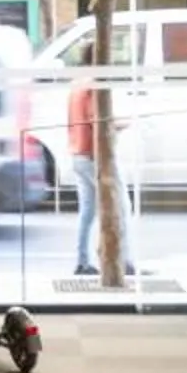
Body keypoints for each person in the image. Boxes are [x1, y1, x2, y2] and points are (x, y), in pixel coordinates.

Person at [67, 74, 135, 279]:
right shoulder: (92, 88)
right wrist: (122, 124)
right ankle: (123, 260)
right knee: (122, 206)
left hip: (78, 153)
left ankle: (82, 261)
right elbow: (98, 120)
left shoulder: (76, 85)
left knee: (87, 212)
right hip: (95, 156)